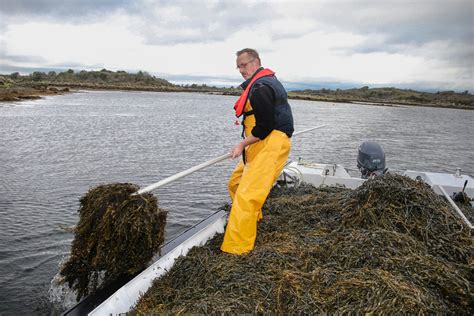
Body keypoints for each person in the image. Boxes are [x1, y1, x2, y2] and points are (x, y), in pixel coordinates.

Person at [221, 48, 294, 254]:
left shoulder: (261, 87)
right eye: (238, 67)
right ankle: (252, 218)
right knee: (236, 183)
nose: (241, 70)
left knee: (247, 196)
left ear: (256, 62)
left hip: (270, 143)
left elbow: (265, 126)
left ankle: (237, 248)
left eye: (244, 65)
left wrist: (242, 144)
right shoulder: (263, 83)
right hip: (260, 143)